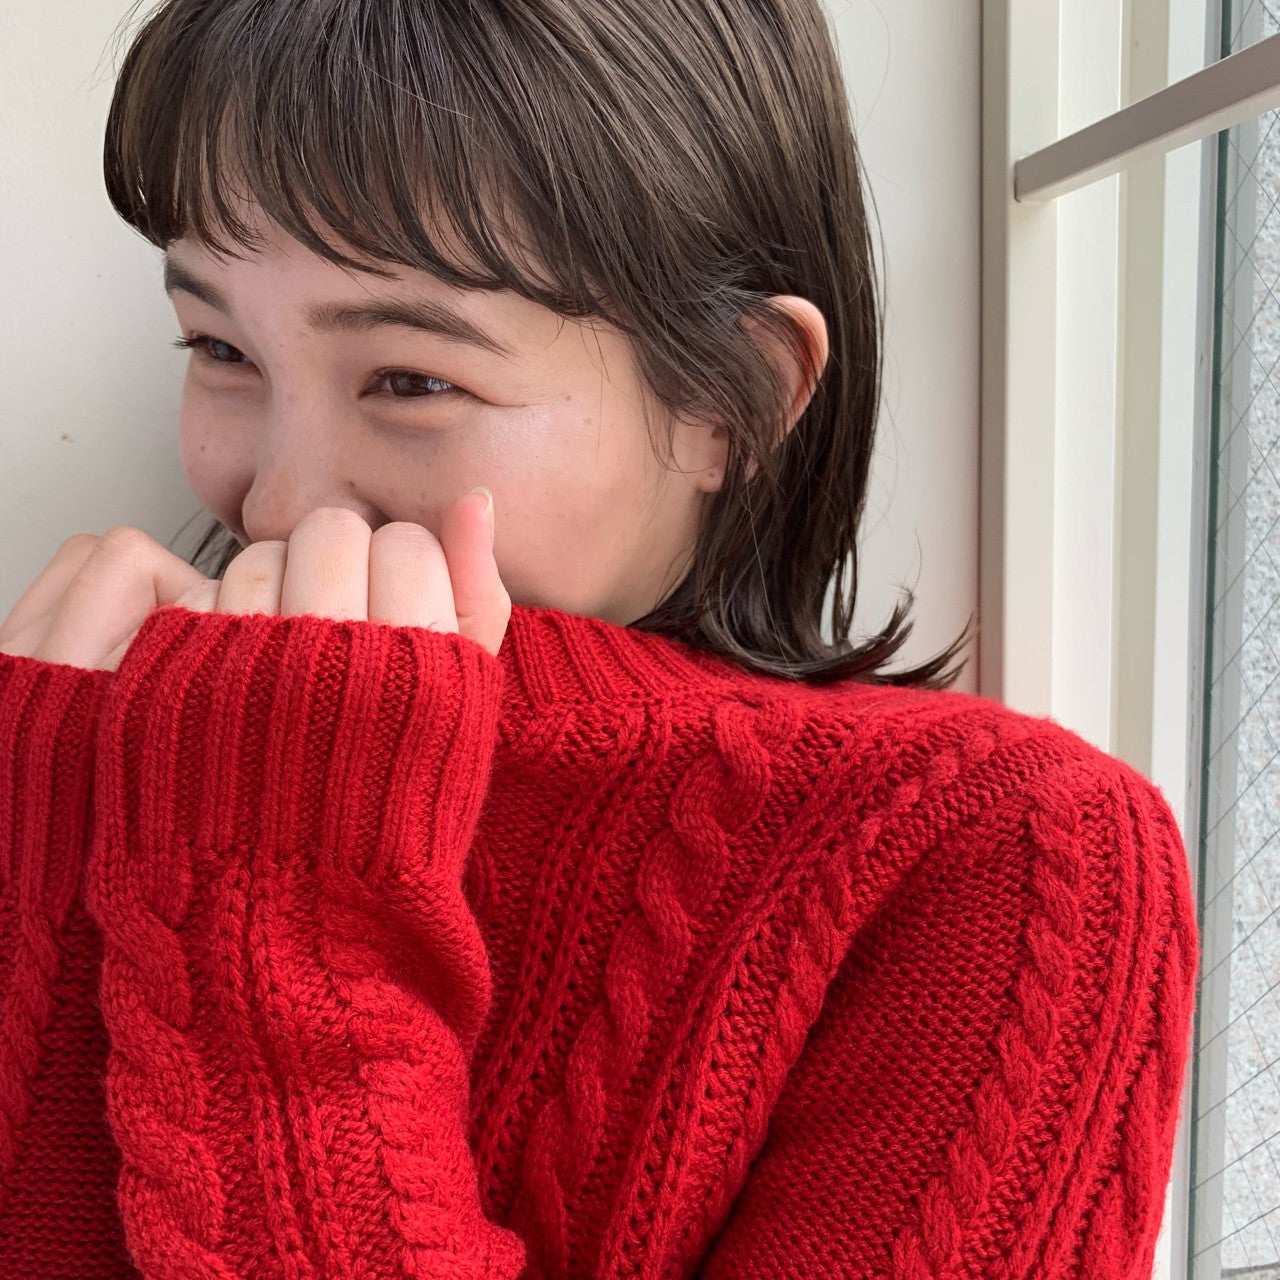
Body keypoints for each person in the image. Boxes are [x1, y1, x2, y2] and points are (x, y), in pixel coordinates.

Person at [0, 0, 1200, 1276]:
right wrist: (49, 848)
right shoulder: (91, 731)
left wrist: (284, 933)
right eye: (219, 346)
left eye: (412, 378)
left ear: (732, 398)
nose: (278, 499)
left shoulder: (1006, 848)